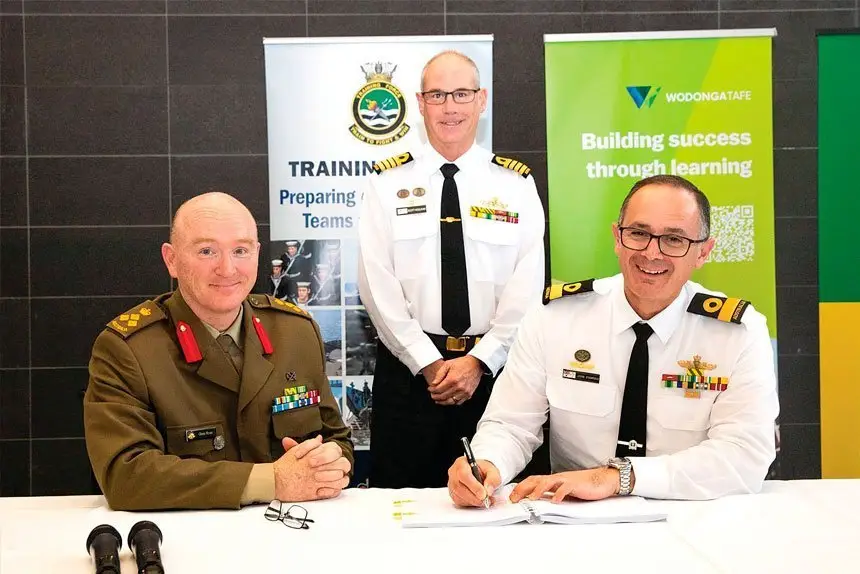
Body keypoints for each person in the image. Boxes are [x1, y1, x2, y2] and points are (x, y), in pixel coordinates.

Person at [447, 175, 779, 505]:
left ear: (704, 252)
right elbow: (511, 424)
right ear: (617, 238)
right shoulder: (555, 317)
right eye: (638, 233)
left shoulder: (737, 332)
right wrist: (488, 462)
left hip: (690, 514)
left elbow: (744, 455)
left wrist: (619, 478)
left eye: (674, 240)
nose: (652, 253)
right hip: (576, 519)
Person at [84, 192, 353, 511]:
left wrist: (330, 461)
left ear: (257, 254)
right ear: (171, 260)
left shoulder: (296, 332)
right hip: (188, 543)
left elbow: (337, 441)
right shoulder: (128, 349)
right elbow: (126, 477)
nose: (227, 269)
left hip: (292, 534)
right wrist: (273, 481)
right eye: (207, 251)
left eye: (240, 250)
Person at [358, 50, 546, 488]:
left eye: (461, 94)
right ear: (420, 104)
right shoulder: (385, 183)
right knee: (399, 510)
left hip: (496, 378)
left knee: (495, 504)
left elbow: (527, 284)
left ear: (481, 100)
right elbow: (376, 285)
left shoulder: (515, 185)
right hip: (409, 379)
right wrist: (426, 363)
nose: (450, 107)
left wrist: (481, 361)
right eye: (438, 95)